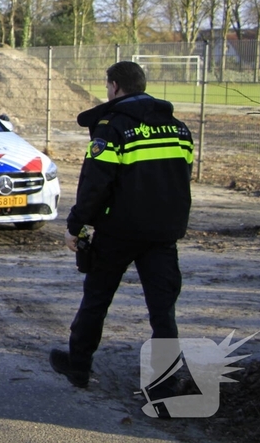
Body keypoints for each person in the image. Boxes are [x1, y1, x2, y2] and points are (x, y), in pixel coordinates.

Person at [50, 61, 194, 388]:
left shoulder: (112, 127)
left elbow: (95, 184)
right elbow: (182, 177)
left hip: (118, 232)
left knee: (97, 300)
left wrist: (76, 225)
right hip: (163, 234)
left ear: (115, 86)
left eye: (107, 86)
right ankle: (167, 383)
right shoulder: (179, 128)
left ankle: (79, 367)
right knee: (162, 312)